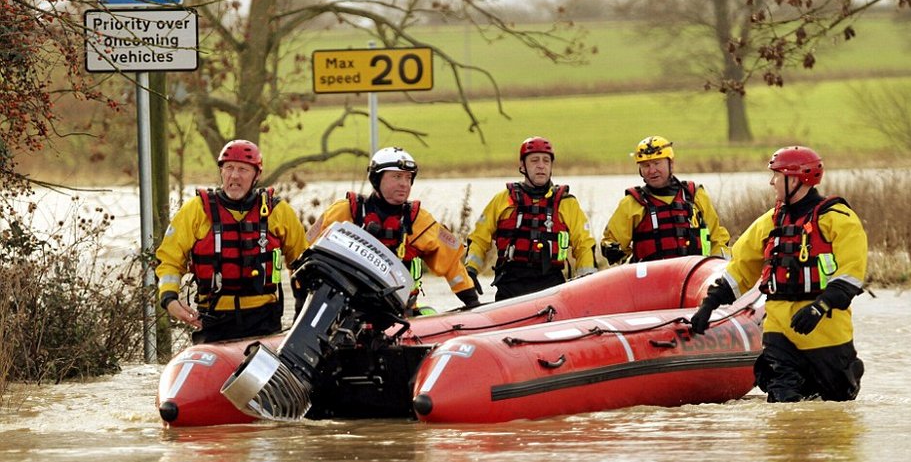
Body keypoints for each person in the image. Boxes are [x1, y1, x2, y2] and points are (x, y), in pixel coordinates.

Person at [689, 146, 867, 403]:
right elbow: (741, 268)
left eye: (777, 175)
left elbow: (851, 275)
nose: (772, 182)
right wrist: (710, 304)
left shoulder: (839, 219)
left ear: (795, 179)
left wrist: (819, 307)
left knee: (834, 404)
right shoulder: (770, 222)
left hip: (825, 329)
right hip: (779, 329)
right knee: (782, 401)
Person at [156, 139, 310, 343]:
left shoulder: (278, 211)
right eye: (229, 168)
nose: (234, 176)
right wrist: (170, 300)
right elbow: (169, 261)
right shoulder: (196, 211)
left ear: (257, 175)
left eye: (243, 169)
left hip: (265, 323)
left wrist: (303, 308)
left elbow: (303, 264)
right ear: (221, 172)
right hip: (213, 323)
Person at [305, 147, 480, 314]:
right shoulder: (345, 211)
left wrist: (471, 300)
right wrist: (300, 297)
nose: (404, 184)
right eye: (396, 177)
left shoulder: (420, 220)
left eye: (408, 178)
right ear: (376, 179)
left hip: (400, 310)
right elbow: (305, 251)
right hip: (347, 307)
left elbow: (451, 263)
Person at [464, 136, 597, 301]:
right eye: (534, 160)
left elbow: (584, 244)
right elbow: (479, 239)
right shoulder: (502, 200)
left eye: (546, 161)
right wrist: (471, 270)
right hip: (510, 283)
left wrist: (589, 278)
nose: (541, 165)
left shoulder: (567, 203)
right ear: (522, 166)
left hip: (551, 284)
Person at [600, 135, 730, 265]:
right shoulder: (631, 203)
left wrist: (719, 267)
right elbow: (611, 241)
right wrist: (611, 249)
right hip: (651, 279)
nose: (652, 170)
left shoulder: (695, 195)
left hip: (693, 275)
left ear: (671, 164)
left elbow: (716, 238)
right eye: (646, 165)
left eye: (657, 163)